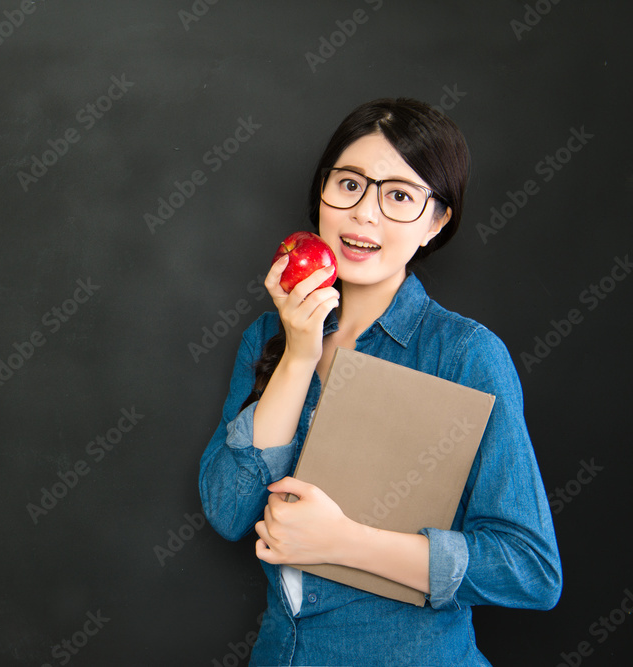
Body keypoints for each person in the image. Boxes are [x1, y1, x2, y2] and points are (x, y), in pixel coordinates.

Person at [198, 98, 562, 666]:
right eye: (349, 185)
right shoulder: (268, 334)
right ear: (322, 193)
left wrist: (344, 543)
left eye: (398, 196)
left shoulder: (465, 354)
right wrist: (298, 354)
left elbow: (529, 569)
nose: (364, 215)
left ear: (436, 221)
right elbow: (228, 510)